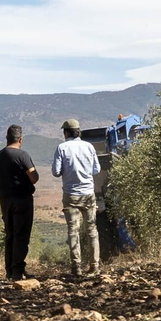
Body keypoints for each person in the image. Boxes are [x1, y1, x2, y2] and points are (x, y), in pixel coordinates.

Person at [52, 118, 101, 277]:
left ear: (66, 132)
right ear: (78, 131)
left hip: (71, 194)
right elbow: (96, 170)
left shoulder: (62, 148)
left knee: (73, 231)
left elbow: (56, 172)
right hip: (88, 194)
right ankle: (94, 267)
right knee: (92, 230)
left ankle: (76, 267)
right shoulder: (89, 146)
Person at [0, 124, 38, 280]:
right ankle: (18, 271)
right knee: (21, 234)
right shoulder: (22, 155)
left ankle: (9, 271)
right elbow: (34, 177)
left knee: (9, 235)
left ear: (7, 139)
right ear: (20, 139)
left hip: (5, 200)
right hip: (22, 200)